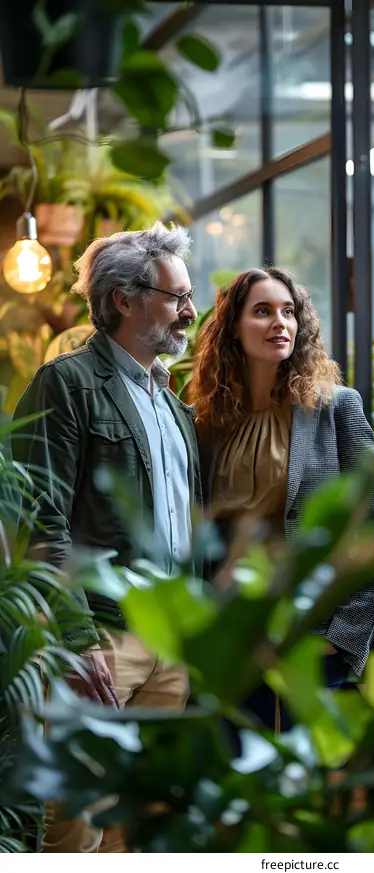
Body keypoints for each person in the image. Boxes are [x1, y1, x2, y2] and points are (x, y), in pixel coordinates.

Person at [12, 222, 201, 852]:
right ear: (124, 300)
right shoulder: (65, 384)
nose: (190, 311)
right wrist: (75, 638)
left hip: (171, 639)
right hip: (100, 636)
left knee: (142, 829)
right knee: (77, 828)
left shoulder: (172, 403)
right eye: (177, 297)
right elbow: (38, 519)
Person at [188, 266, 374, 730]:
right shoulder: (204, 422)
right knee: (237, 766)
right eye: (262, 311)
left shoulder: (336, 407)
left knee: (313, 768)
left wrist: (341, 634)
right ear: (232, 328)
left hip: (313, 634)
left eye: (288, 311)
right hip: (231, 637)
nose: (279, 322)